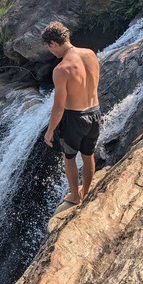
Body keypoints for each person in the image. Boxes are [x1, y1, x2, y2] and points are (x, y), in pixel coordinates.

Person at [41, 21, 100, 205]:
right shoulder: (90, 54)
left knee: (70, 157)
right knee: (88, 155)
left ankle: (75, 196)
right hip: (95, 112)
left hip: (75, 118)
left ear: (53, 43)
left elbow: (59, 107)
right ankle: (86, 191)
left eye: (49, 48)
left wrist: (50, 131)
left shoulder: (61, 69)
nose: (51, 52)